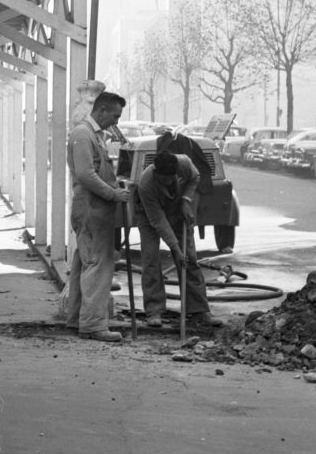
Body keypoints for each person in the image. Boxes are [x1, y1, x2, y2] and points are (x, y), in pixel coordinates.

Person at [64, 91, 131, 342]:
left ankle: (76, 319)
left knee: (85, 263)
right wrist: (113, 194)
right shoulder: (83, 134)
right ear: (101, 109)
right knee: (97, 267)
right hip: (92, 209)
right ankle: (92, 325)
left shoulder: (94, 135)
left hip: (96, 210)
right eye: (114, 115)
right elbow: (85, 174)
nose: (116, 122)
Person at [133, 149, 223, 329]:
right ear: (156, 173)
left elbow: (195, 178)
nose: (167, 182)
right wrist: (175, 248)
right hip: (149, 215)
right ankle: (154, 310)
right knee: (150, 259)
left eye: (171, 178)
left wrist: (186, 200)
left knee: (190, 258)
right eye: (163, 179)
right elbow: (158, 220)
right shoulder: (146, 183)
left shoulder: (185, 163)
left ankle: (198, 310)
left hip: (177, 209)